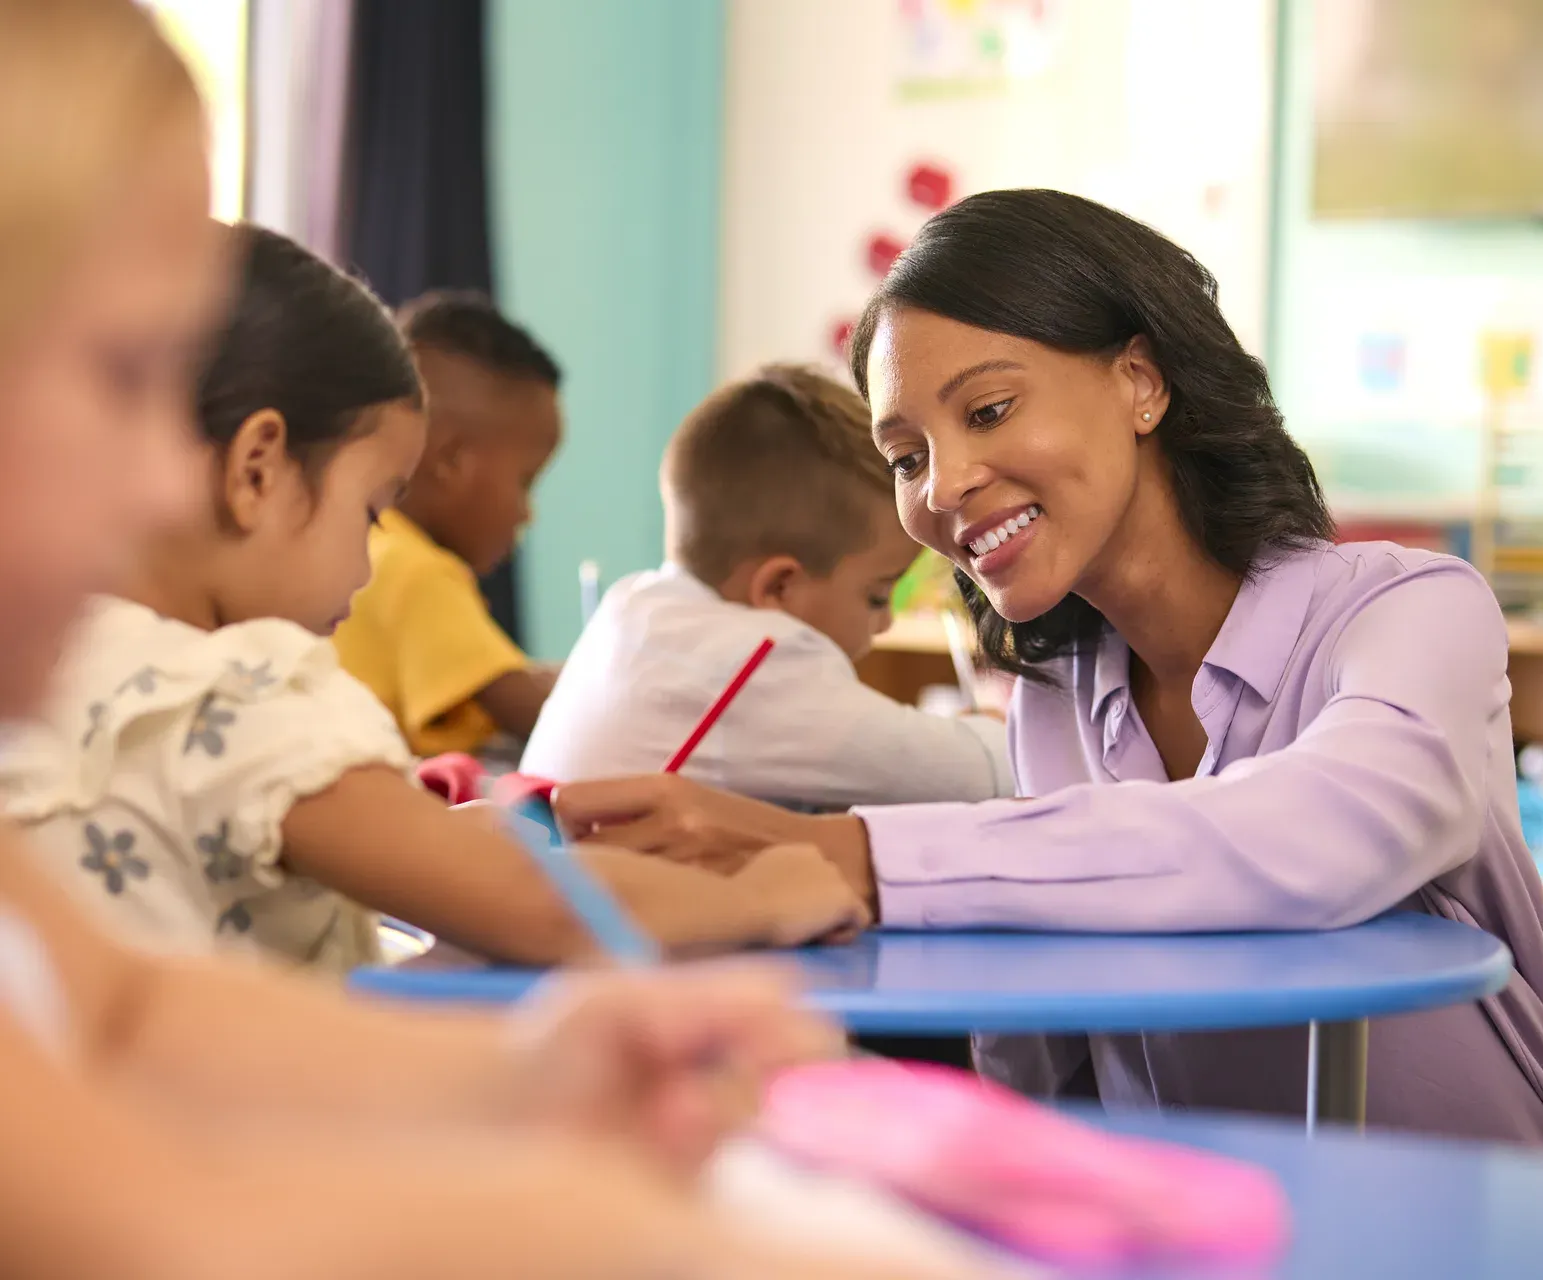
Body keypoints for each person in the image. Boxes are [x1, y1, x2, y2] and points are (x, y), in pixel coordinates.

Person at [0, 5, 965, 1278]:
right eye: (121, 371)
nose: (162, 491)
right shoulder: (236, 673)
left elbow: (111, 1012)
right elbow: (161, 1221)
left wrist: (521, 1071)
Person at [548, 189, 1543, 1155]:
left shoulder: (1409, 609)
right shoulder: (1050, 703)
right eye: (907, 455)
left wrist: (855, 853)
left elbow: (1324, 833)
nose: (945, 485)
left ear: (1140, 383)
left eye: (989, 411)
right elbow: (1044, 1067)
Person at [0, 222, 866, 971]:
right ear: (257, 468)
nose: (369, 567)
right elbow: (534, 908)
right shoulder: (237, 689)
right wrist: (760, 896)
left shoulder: (44, 665)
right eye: (372, 512)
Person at [523, 364, 1013, 808]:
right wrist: (997, 723)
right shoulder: (753, 664)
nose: (884, 623)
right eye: (877, 595)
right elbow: (985, 773)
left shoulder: (635, 605)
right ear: (780, 587)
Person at [334, 291, 562, 757]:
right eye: (525, 482)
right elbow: (538, 713)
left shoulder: (367, 546)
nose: (527, 513)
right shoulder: (416, 572)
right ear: (453, 460)